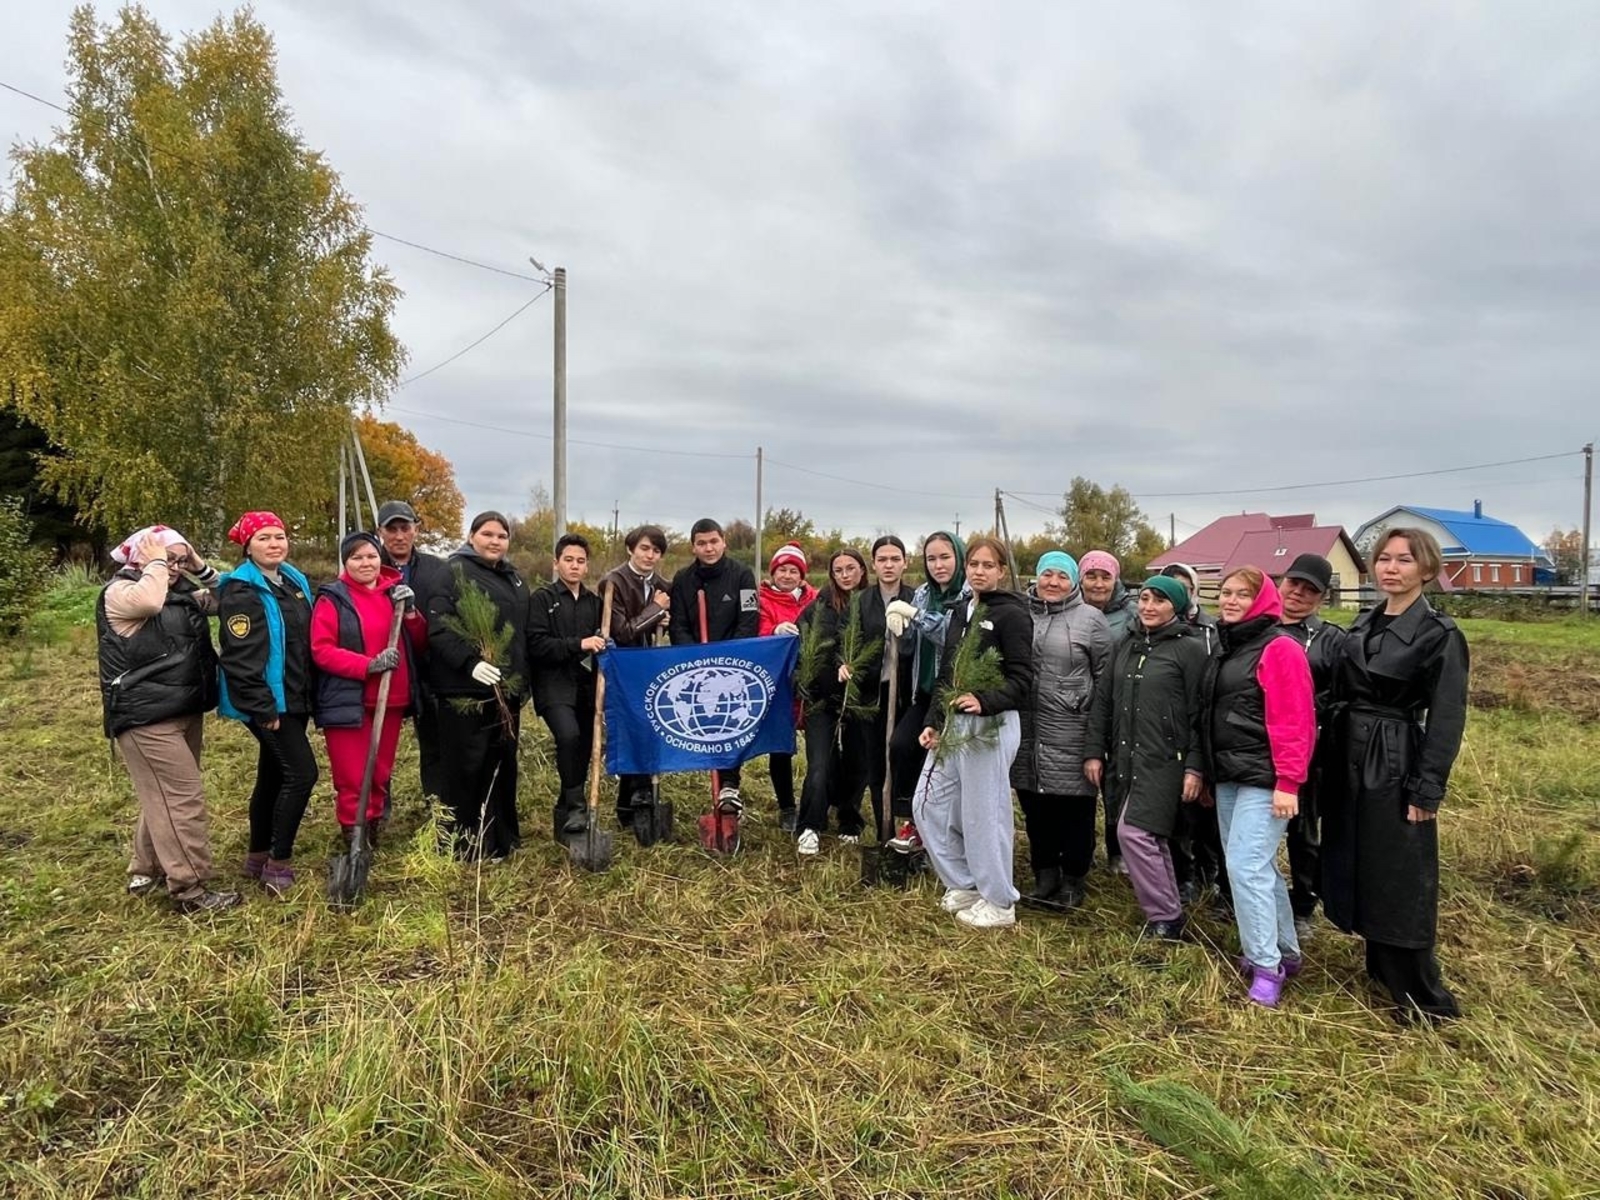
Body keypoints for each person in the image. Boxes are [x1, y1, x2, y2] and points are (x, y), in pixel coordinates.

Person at [1321, 528, 1468, 1023]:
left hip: (1395, 755)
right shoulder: (1364, 621)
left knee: (1400, 872)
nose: (1391, 568)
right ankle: (1380, 966)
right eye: (1383, 558)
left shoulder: (1439, 634)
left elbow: (1448, 717)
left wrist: (1427, 786)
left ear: (1426, 569)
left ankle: (1422, 995)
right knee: (1359, 858)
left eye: (1404, 560)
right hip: (1347, 752)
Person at [97, 525, 239, 913]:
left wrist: (200, 565)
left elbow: (234, 599)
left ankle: (146, 867)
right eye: (168, 560)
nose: (174, 568)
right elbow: (148, 603)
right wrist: (156, 561)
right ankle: (191, 889)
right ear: (136, 555)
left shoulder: (181, 594)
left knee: (163, 793)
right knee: (182, 799)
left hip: (183, 708)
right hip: (146, 716)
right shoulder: (121, 593)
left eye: (179, 560)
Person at [1206, 567, 1315, 1008]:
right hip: (1231, 774)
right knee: (1259, 868)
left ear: (1263, 599)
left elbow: (1296, 720)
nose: (1231, 600)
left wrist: (1288, 781)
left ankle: (1264, 967)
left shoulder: (1280, 648)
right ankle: (1286, 952)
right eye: (1226, 593)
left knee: (1244, 867)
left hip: (1267, 779)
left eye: (1242, 594)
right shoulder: (1230, 647)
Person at [914, 536, 1034, 928]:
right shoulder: (962, 610)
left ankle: (999, 901)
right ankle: (964, 883)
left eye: (988, 565)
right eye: (975, 565)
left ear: (1001, 570)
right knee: (928, 801)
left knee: (984, 813)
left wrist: (984, 700)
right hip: (953, 721)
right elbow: (947, 671)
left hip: (990, 725)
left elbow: (1022, 679)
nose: (980, 571)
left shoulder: (1012, 615)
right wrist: (933, 720)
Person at [1084, 575, 1209, 939]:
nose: (1149, 607)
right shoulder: (1128, 644)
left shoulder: (1190, 650)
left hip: (1167, 759)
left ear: (1177, 607)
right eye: (1145, 598)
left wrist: (1195, 765)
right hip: (1127, 756)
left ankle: (1164, 915)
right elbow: (1104, 701)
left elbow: (1199, 713)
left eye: (1160, 601)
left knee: (1134, 833)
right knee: (1149, 837)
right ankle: (1170, 914)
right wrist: (1095, 750)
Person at [217, 511, 318, 897]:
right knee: (302, 774)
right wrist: (263, 708)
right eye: (264, 538)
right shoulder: (242, 591)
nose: (274, 544)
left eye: (279, 536)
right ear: (247, 547)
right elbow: (239, 658)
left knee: (273, 775)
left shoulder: (292, 581)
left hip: (295, 696)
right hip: (268, 703)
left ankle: (256, 856)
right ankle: (278, 863)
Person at [310, 531, 427, 848]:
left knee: (378, 772)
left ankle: (371, 831)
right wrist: (367, 665)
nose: (365, 563)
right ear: (345, 562)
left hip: (391, 698)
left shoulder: (395, 596)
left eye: (371, 556)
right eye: (357, 557)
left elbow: (417, 642)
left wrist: (413, 612)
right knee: (353, 775)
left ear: (381, 558)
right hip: (351, 701)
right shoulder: (333, 599)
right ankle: (354, 836)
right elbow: (321, 650)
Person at [426, 511, 530, 861]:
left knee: (502, 765)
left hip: (505, 692)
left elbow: (519, 635)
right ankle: (464, 843)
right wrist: (470, 664)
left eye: (502, 536)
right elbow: (439, 629)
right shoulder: (453, 572)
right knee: (466, 768)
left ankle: (500, 839)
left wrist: (521, 681)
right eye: (487, 534)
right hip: (463, 692)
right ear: (472, 537)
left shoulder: (514, 577)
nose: (495, 541)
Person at [1012, 551, 1112, 910]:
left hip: (1073, 728)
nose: (1053, 582)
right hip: (1027, 727)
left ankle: (1073, 877)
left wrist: (1097, 741)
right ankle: (1044, 873)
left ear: (1074, 582)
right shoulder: (1021, 613)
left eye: (1062, 576)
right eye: (1046, 574)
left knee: (1074, 807)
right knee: (1034, 802)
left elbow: (1105, 679)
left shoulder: (1091, 620)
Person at [1276, 552, 1349, 938]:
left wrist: (1302, 709)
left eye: (1310, 590)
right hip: (1255, 747)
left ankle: (1303, 904)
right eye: (1294, 584)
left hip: (1309, 752)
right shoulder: (1259, 627)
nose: (1298, 594)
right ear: (1281, 582)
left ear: (1321, 598)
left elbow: (1342, 697)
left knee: (1304, 832)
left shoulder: (1331, 640)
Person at [883, 531, 968, 853]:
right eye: (931, 559)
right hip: (926, 690)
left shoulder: (970, 594)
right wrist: (900, 629)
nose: (938, 565)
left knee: (947, 765)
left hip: (958, 695)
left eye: (945, 557)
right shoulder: (921, 593)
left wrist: (916, 617)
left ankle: (949, 831)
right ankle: (914, 822)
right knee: (902, 745)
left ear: (958, 558)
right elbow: (913, 644)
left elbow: (953, 636)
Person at [669, 518, 759, 811]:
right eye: (702, 543)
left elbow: (750, 619)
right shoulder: (683, 579)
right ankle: (718, 781)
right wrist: (695, 658)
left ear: (724, 542)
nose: (708, 548)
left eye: (713, 542)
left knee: (730, 721)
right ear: (693, 546)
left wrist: (727, 659)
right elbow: (679, 624)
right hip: (696, 665)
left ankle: (730, 785)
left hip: (733, 666)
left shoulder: (744, 576)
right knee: (707, 724)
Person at [794, 548, 874, 855]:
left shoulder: (871, 603)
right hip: (822, 700)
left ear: (862, 570)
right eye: (838, 570)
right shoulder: (819, 607)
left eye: (851, 568)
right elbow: (801, 646)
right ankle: (810, 825)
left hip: (859, 700)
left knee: (857, 763)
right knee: (819, 764)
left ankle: (849, 817)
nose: (845, 575)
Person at [528, 533, 607, 842]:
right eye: (569, 560)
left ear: (587, 567)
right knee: (569, 736)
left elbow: (604, 640)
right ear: (556, 563)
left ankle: (566, 811)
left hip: (587, 687)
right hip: (553, 686)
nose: (575, 566)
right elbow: (536, 644)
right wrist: (580, 644)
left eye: (581, 561)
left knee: (586, 746)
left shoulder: (595, 603)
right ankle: (576, 806)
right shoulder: (543, 599)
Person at [377, 500, 451, 804]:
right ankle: (378, 810)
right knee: (381, 746)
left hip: (427, 668)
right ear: (380, 531)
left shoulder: (437, 570)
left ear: (415, 530)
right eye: (391, 529)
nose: (398, 535)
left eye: (404, 528)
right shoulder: (367, 564)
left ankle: (436, 805)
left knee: (434, 743)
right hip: (385, 668)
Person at [601, 524, 673, 826]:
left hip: (651, 666)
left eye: (656, 551)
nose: (650, 555)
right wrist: (656, 610)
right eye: (644, 548)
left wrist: (665, 619)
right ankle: (638, 793)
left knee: (649, 726)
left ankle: (632, 804)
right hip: (624, 667)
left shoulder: (662, 585)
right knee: (632, 728)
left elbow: (665, 624)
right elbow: (623, 631)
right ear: (631, 549)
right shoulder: (613, 582)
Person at [1077, 549, 1139, 875]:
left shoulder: (1131, 615)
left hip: (1118, 707)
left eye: (1106, 577)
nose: (1098, 584)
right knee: (1083, 780)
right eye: (1091, 576)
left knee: (1117, 779)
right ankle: (1081, 849)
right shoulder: (1070, 609)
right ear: (1081, 578)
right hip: (1076, 708)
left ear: (1115, 580)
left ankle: (1118, 851)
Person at [758, 541, 818, 833]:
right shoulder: (763, 600)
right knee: (780, 747)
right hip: (778, 683)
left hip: (811, 680)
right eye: (782, 570)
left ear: (802, 575)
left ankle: (819, 800)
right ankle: (787, 807)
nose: (787, 575)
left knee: (820, 746)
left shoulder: (816, 599)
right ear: (773, 572)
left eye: (794, 570)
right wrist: (774, 632)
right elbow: (756, 630)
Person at [859, 536, 916, 840]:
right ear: (874, 564)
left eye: (895, 559)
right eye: (883, 559)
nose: (889, 565)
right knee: (876, 763)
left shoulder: (915, 597)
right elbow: (851, 640)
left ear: (905, 562)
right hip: (873, 693)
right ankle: (884, 830)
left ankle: (908, 828)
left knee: (903, 757)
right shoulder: (863, 601)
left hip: (906, 692)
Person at [1078, 550, 1139, 639]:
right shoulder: (1066, 612)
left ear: (1115, 582)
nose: (1099, 585)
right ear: (1081, 582)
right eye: (1092, 578)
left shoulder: (1134, 615)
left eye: (1106, 578)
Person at [1162, 563, 1218, 632]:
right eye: (1171, 589)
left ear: (1193, 590)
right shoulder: (1150, 624)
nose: (1177, 594)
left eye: (1183, 588)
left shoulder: (1214, 626)